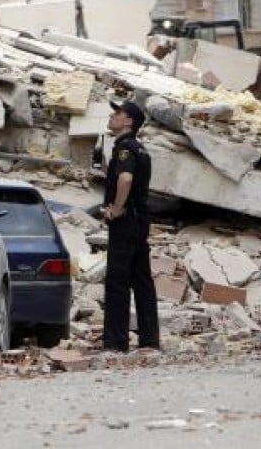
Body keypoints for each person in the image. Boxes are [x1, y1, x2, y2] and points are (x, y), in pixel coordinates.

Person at [100, 99, 159, 352]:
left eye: (118, 113)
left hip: (125, 223)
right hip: (140, 221)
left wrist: (115, 208)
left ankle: (116, 341)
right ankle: (149, 339)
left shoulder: (124, 148)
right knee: (142, 281)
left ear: (129, 121)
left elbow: (125, 179)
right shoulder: (141, 149)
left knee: (117, 281)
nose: (112, 116)